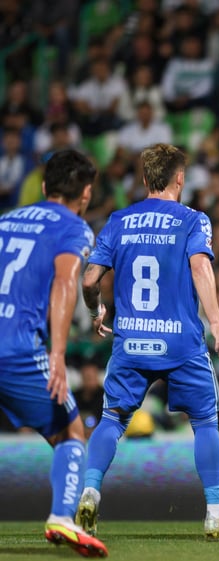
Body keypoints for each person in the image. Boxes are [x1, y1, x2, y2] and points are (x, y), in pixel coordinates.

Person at [78, 143, 219, 540]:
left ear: (143, 179)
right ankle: (216, 512)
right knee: (205, 423)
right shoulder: (193, 220)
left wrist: (95, 312)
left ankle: (88, 492)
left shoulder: (120, 220)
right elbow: (201, 267)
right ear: (180, 178)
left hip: (131, 339)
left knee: (111, 420)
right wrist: (218, 323)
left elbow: (88, 280)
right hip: (181, 342)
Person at [0, 150, 107, 557]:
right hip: (16, 349)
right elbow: (66, 283)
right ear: (85, 193)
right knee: (70, 431)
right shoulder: (74, 228)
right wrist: (58, 355)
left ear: (44, 187)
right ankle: (62, 517)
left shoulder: (5, 220)